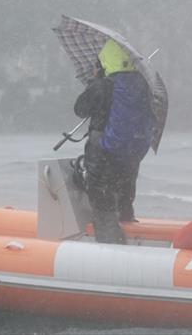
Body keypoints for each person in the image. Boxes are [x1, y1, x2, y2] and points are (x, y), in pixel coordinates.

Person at [73, 39, 155, 244]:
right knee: (125, 200)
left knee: (103, 203)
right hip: (131, 154)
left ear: (104, 63)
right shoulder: (141, 85)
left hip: (104, 155)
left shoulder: (103, 86)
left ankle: (109, 250)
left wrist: (95, 81)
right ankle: (130, 241)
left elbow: (80, 109)